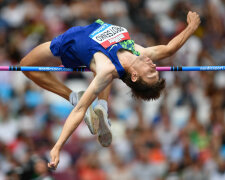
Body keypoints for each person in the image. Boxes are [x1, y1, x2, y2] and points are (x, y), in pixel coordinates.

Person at [19, 11, 200, 170]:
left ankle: (73, 96)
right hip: (89, 33)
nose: (154, 66)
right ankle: (102, 108)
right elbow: (169, 49)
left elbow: (80, 110)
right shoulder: (140, 53)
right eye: (155, 70)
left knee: (25, 66)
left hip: (68, 44)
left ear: (135, 76)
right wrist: (191, 27)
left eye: (150, 72)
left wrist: (57, 146)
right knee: (109, 72)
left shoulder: (106, 69)